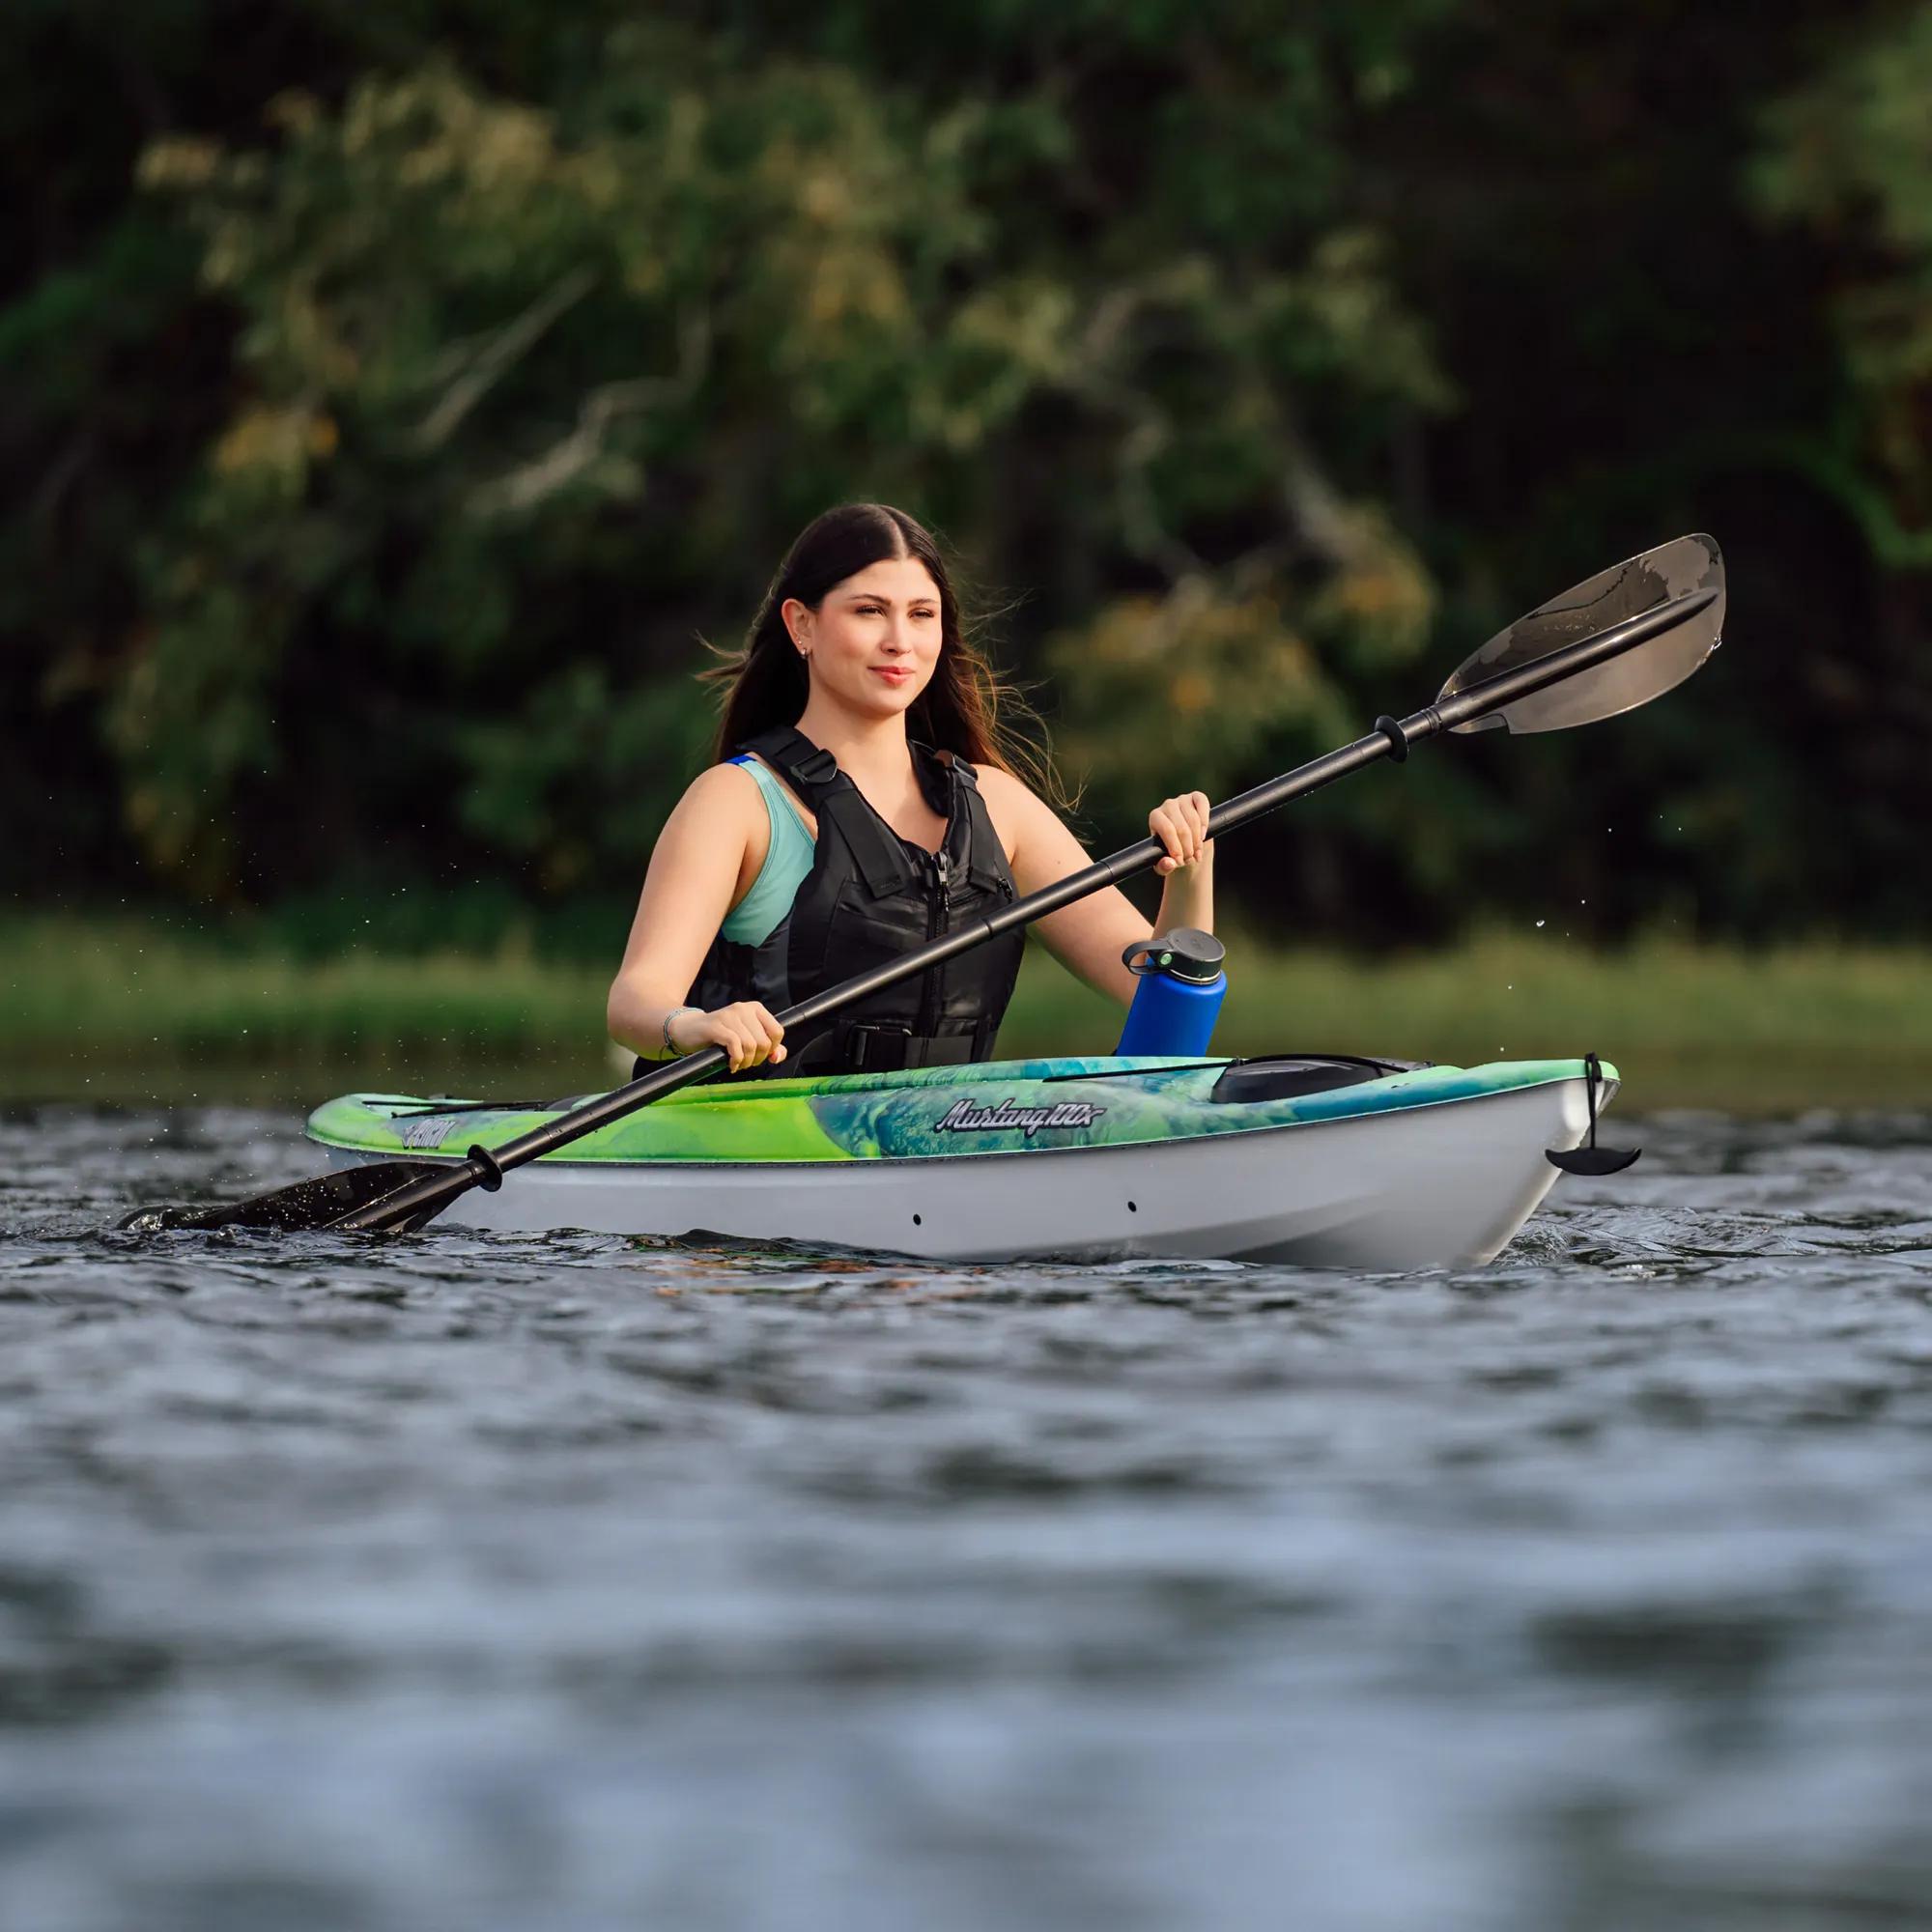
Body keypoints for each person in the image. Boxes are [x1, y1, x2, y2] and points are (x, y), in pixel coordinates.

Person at [608, 502, 1213, 1076]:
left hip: (939, 1141)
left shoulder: (997, 805)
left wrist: (1190, 868)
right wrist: (693, 1026)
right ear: (802, 625)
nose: (901, 639)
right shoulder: (736, 802)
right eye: (869, 611)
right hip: (762, 1149)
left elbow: (1160, 998)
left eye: (922, 614)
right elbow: (636, 1002)